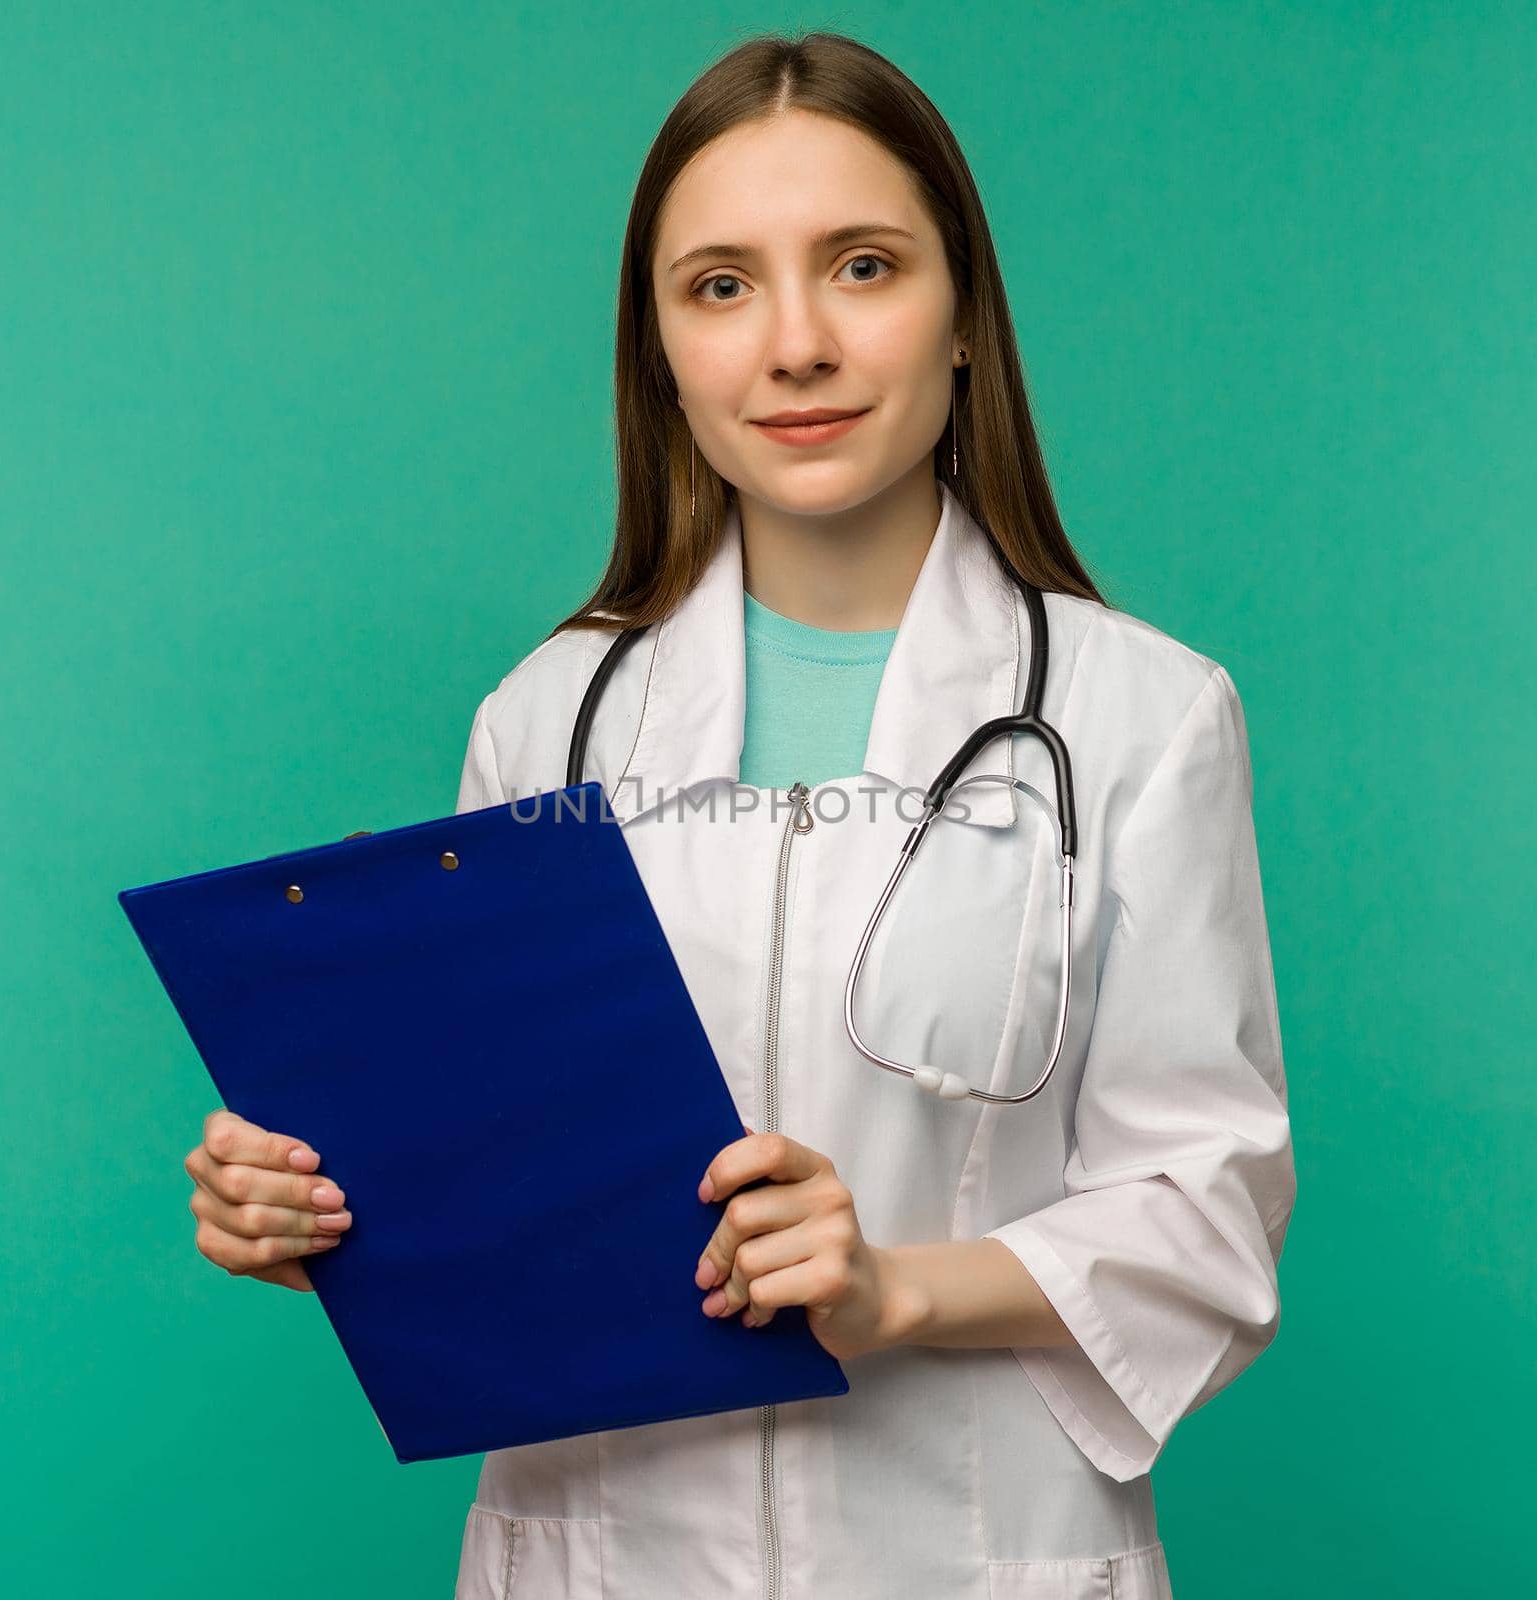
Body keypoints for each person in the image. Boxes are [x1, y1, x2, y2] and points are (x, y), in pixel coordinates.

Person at [183, 29, 1295, 1600]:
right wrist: (322, 1213)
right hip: (599, 1555)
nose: (793, 347)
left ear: (964, 311)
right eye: (720, 286)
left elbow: (1210, 1216)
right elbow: (503, 1191)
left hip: (976, 1557)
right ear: (661, 351)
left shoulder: (1141, 717)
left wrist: (896, 1292)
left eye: (860, 266)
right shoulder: (547, 716)